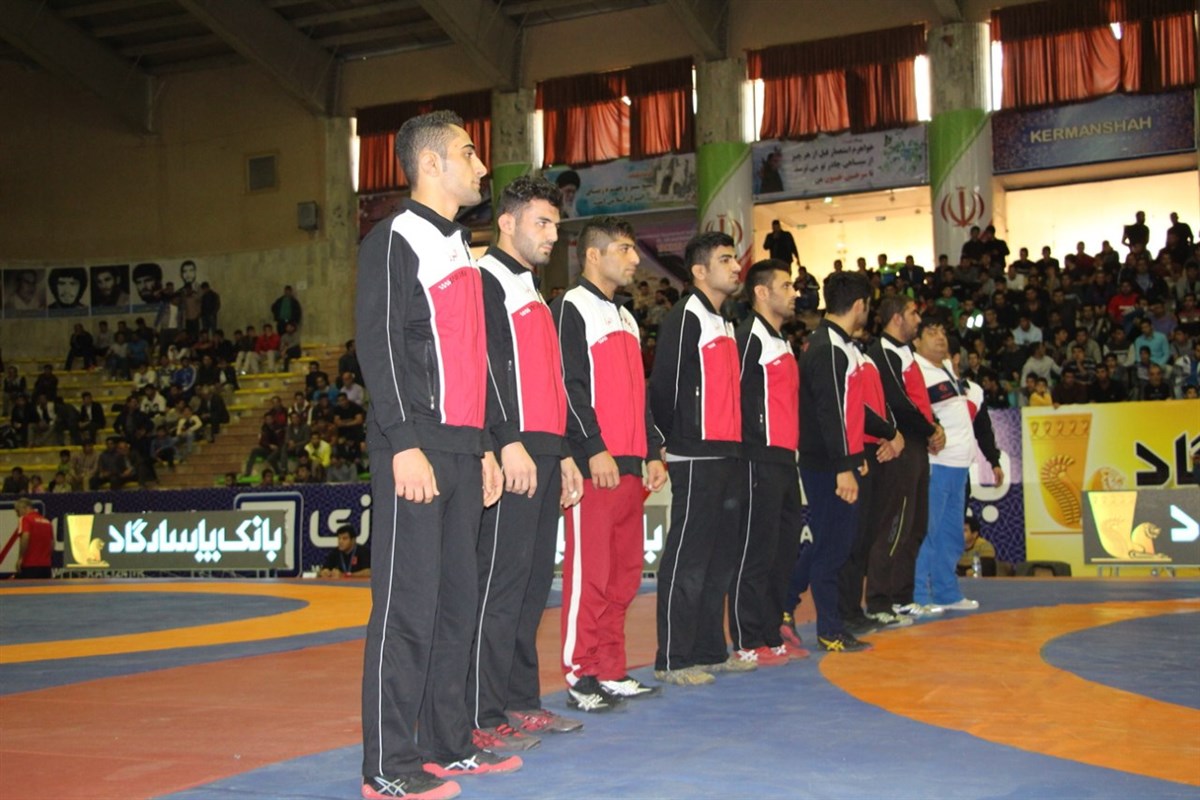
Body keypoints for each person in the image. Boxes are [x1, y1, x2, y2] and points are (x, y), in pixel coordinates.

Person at [355, 110, 510, 800]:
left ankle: (448, 745)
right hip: (415, 444)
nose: (482, 166)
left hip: (461, 448)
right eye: (469, 153)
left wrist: (484, 446)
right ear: (429, 164)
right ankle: (388, 766)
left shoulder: (462, 250)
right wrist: (403, 441)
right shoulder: (394, 238)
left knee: (455, 607)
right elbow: (380, 343)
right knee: (408, 609)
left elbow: (472, 360)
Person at [468, 177, 588, 749]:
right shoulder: (486, 280)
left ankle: (519, 701)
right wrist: (506, 441)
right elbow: (486, 368)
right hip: (513, 449)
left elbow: (550, 379)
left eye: (556, 226)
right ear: (507, 222)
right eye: (542, 223)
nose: (552, 236)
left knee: (532, 586)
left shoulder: (534, 291)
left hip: (544, 448)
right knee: (499, 585)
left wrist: (562, 451)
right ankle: (481, 713)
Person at [551, 216, 667, 711]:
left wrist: (653, 451)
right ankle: (580, 674)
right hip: (595, 465)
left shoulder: (626, 317)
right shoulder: (570, 307)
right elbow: (568, 386)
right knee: (591, 575)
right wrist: (592, 447)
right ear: (593, 255)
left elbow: (641, 394)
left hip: (631, 465)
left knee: (624, 575)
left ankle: (611, 668)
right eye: (624, 249)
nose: (635, 259)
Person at [651, 231, 747, 683]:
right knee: (688, 558)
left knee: (720, 558)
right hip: (694, 454)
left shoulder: (724, 321)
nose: (736, 266)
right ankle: (673, 658)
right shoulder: (685, 316)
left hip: (728, 452)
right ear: (699, 271)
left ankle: (709, 649)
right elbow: (663, 385)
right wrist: (667, 440)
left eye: (735, 258)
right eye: (725, 259)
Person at [793, 271, 894, 653]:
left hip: (834, 460)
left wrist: (854, 457)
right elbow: (830, 414)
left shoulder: (836, 345)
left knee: (830, 542)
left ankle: (787, 601)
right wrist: (844, 466)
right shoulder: (828, 348)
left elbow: (847, 412)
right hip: (827, 464)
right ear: (859, 305)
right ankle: (830, 629)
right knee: (834, 547)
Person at [727, 260, 809, 666]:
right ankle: (747, 637)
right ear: (762, 292)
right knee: (755, 550)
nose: (795, 293)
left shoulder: (782, 341)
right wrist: (747, 451)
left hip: (785, 459)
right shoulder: (748, 337)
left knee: (783, 549)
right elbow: (735, 396)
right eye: (786, 286)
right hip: (757, 458)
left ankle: (770, 629)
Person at [912, 321, 1003, 612]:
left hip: (959, 467)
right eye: (931, 333)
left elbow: (979, 427)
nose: (940, 338)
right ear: (916, 342)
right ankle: (918, 595)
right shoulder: (914, 370)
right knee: (928, 532)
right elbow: (913, 413)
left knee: (951, 533)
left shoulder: (947, 371)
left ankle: (946, 592)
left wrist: (993, 460)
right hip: (935, 464)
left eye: (942, 333)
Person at [863, 295, 944, 622]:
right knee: (893, 526)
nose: (918, 320)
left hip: (915, 445)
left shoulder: (905, 352)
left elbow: (917, 401)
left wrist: (934, 427)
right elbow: (897, 403)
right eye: (913, 313)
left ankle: (901, 597)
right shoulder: (882, 351)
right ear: (897, 317)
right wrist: (929, 429)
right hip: (900, 447)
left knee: (914, 525)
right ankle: (879, 601)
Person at [11, 498, 53, 579]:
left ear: (25, 508)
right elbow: (52, 543)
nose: (17, 515)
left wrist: (20, 558)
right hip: (46, 567)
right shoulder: (47, 522)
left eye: (18, 511)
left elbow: (25, 537)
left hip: (29, 565)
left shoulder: (25, 519)